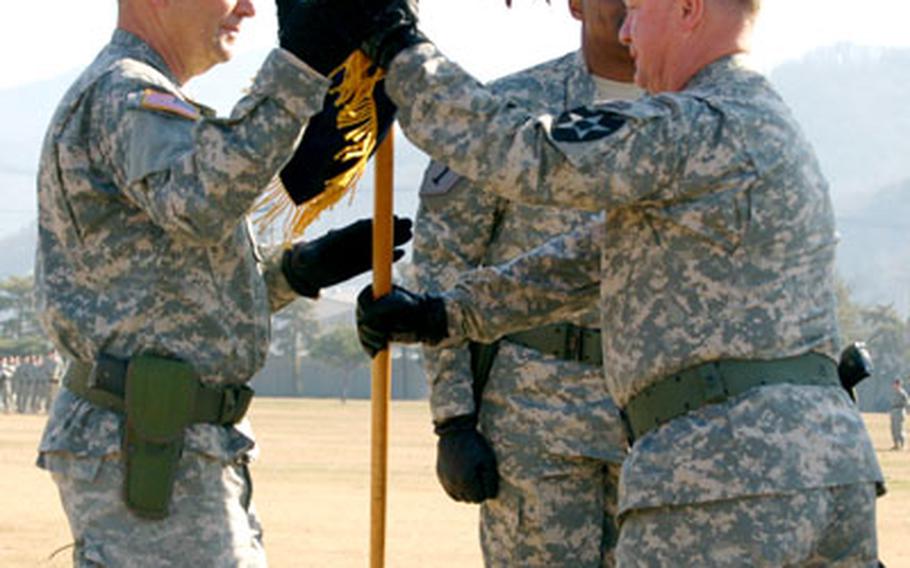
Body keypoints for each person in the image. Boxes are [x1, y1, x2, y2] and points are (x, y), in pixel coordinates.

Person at [353, 0, 884, 564]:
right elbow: (591, 260)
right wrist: (445, 315)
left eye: (639, 10)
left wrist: (397, 46)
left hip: (726, 481)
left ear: (688, 8)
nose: (627, 30)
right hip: (820, 471)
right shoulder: (755, 120)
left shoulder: (698, 124)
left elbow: (530, 153)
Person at [33, 0, 405, 564]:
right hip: (152, 441)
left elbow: (177, 293)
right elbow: (199, 202)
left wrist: (294, 273)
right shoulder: (126, 94)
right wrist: (300, 67)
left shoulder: (143, 98)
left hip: (176, 443)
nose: (250, 7)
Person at [412, 1, 639, 565]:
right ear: (576, 4)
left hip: (660, 421)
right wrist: (454, 418)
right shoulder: (508, 112)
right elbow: (443, 263)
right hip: (535, 423)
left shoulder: (701, 116)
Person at [890, 378, 909, 450]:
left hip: (900, 411)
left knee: (899, 429)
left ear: (899, 384)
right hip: (894, 411)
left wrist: (907, 411)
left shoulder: (902, 393)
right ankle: (896, 444)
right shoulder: (894, 392)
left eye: (896, 384)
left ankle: (902, 445)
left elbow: (907, 402)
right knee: (893, 429)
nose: (894, 385)